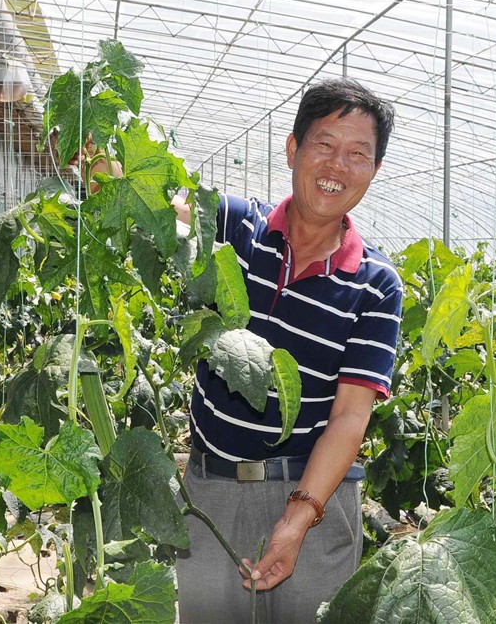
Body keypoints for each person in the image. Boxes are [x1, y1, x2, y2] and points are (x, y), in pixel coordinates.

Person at [173, 77, 402, 622]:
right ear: (293, 148)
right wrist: (98, 159)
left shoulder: (376, 284)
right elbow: (162, 204)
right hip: (212, 492)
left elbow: (350, 417)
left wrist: (297, 519)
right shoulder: (237, 227)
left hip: (313, 500)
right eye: (324, 144)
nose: (337, 165)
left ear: (373, 170)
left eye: (358, 154)